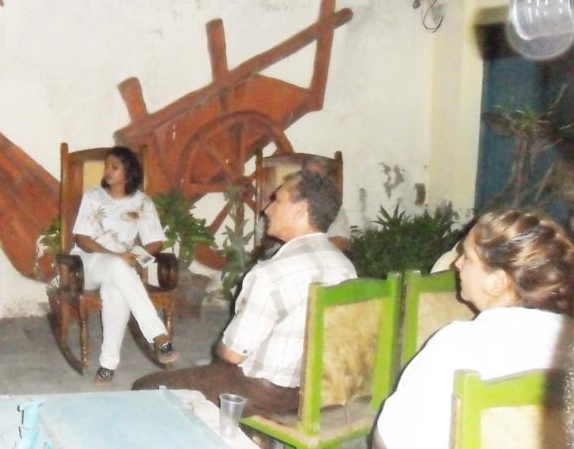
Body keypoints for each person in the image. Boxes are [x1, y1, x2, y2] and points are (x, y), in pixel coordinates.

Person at [132, 170, 356, 416]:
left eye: (276, 200)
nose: (267, 209)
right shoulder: (345, 267)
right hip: (323, 391)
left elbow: (233, 354)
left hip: (270, 393)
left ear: (300, 210)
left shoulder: (271, 273)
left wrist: (222, 347)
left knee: (145, 387)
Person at [375, 210, 574, 449]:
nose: (456, 263)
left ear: (497, 282)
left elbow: (393, 436)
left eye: (467, 257)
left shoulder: (458, 343)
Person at [69, 146, 177, 385]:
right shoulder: (93, 196)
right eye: (107, 166)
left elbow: (155, 242)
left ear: (128, 172)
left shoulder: (142, 202)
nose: (107, 171)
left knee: (115, 291)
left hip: (120, 268)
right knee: (118, 267)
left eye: (114, 167)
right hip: (88, 263)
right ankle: (158, 335)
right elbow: (82, 239)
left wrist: (136, 259)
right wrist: (116, 256)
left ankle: (107, 365)